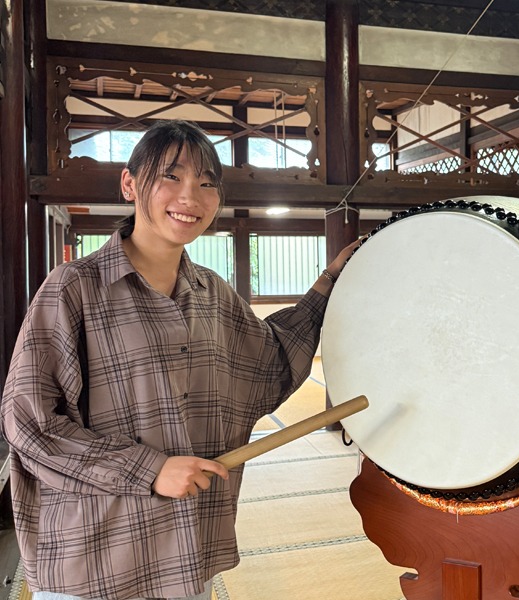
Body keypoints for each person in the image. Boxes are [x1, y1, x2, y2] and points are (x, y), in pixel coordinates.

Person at [0, 120, 358, 600]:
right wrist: (149, 470)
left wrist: (328, 283)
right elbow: (29, 423)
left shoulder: (213, 293)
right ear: (129, 184)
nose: (190, 196)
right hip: (96, 556)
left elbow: (271, 363)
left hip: (184, 551)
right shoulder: (74, 286)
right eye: (171, 176)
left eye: (207, 183)